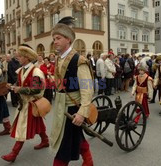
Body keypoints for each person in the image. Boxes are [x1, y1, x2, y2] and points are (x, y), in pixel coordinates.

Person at [50, 17, 94, 166]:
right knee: (77, 137)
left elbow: (87, 89)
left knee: (64, 146)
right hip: (62, 107)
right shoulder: (58, 58)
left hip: (73, 108)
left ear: (68, 39)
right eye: (54, 38)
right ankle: (89, 162)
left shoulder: (79, 60)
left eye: (58, 38)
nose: (55, 41)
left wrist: (82, 112)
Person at [1, 44, 49, 162]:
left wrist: (20, 89)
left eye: (20, 56)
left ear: (27, 58)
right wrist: (12, 87)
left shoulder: (36, 71)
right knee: (38, 123)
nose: (18, 58)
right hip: (25, 103)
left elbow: (37, 89)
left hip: (31, 103)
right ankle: (45, 140)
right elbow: (19, 85)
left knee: (22, 127)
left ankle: (14, 153)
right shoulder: (21, 70)